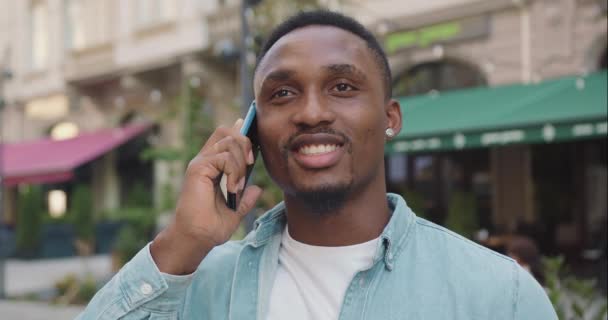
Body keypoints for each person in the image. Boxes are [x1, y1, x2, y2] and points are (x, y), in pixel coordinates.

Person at [78, 10, 557, 320]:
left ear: (390, 117)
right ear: (252, 131)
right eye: (282, 94)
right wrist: (181, 244)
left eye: (342, 87)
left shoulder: (499, 295)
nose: (310, 113)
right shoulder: (195, 284)